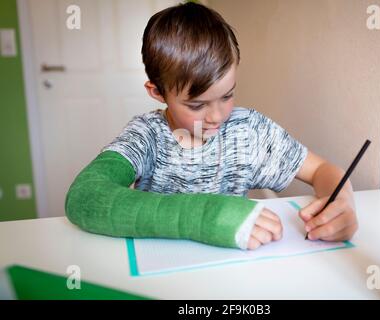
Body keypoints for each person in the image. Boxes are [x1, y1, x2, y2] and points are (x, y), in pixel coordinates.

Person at [65, 2, 358, 250]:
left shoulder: (248, 131)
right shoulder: (147, 135)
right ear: (157, 92)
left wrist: (342, 202)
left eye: (227, 96)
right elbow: (85, 198)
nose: (217, 116)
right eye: (196, 105)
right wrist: (204, 215)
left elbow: (322, 171)